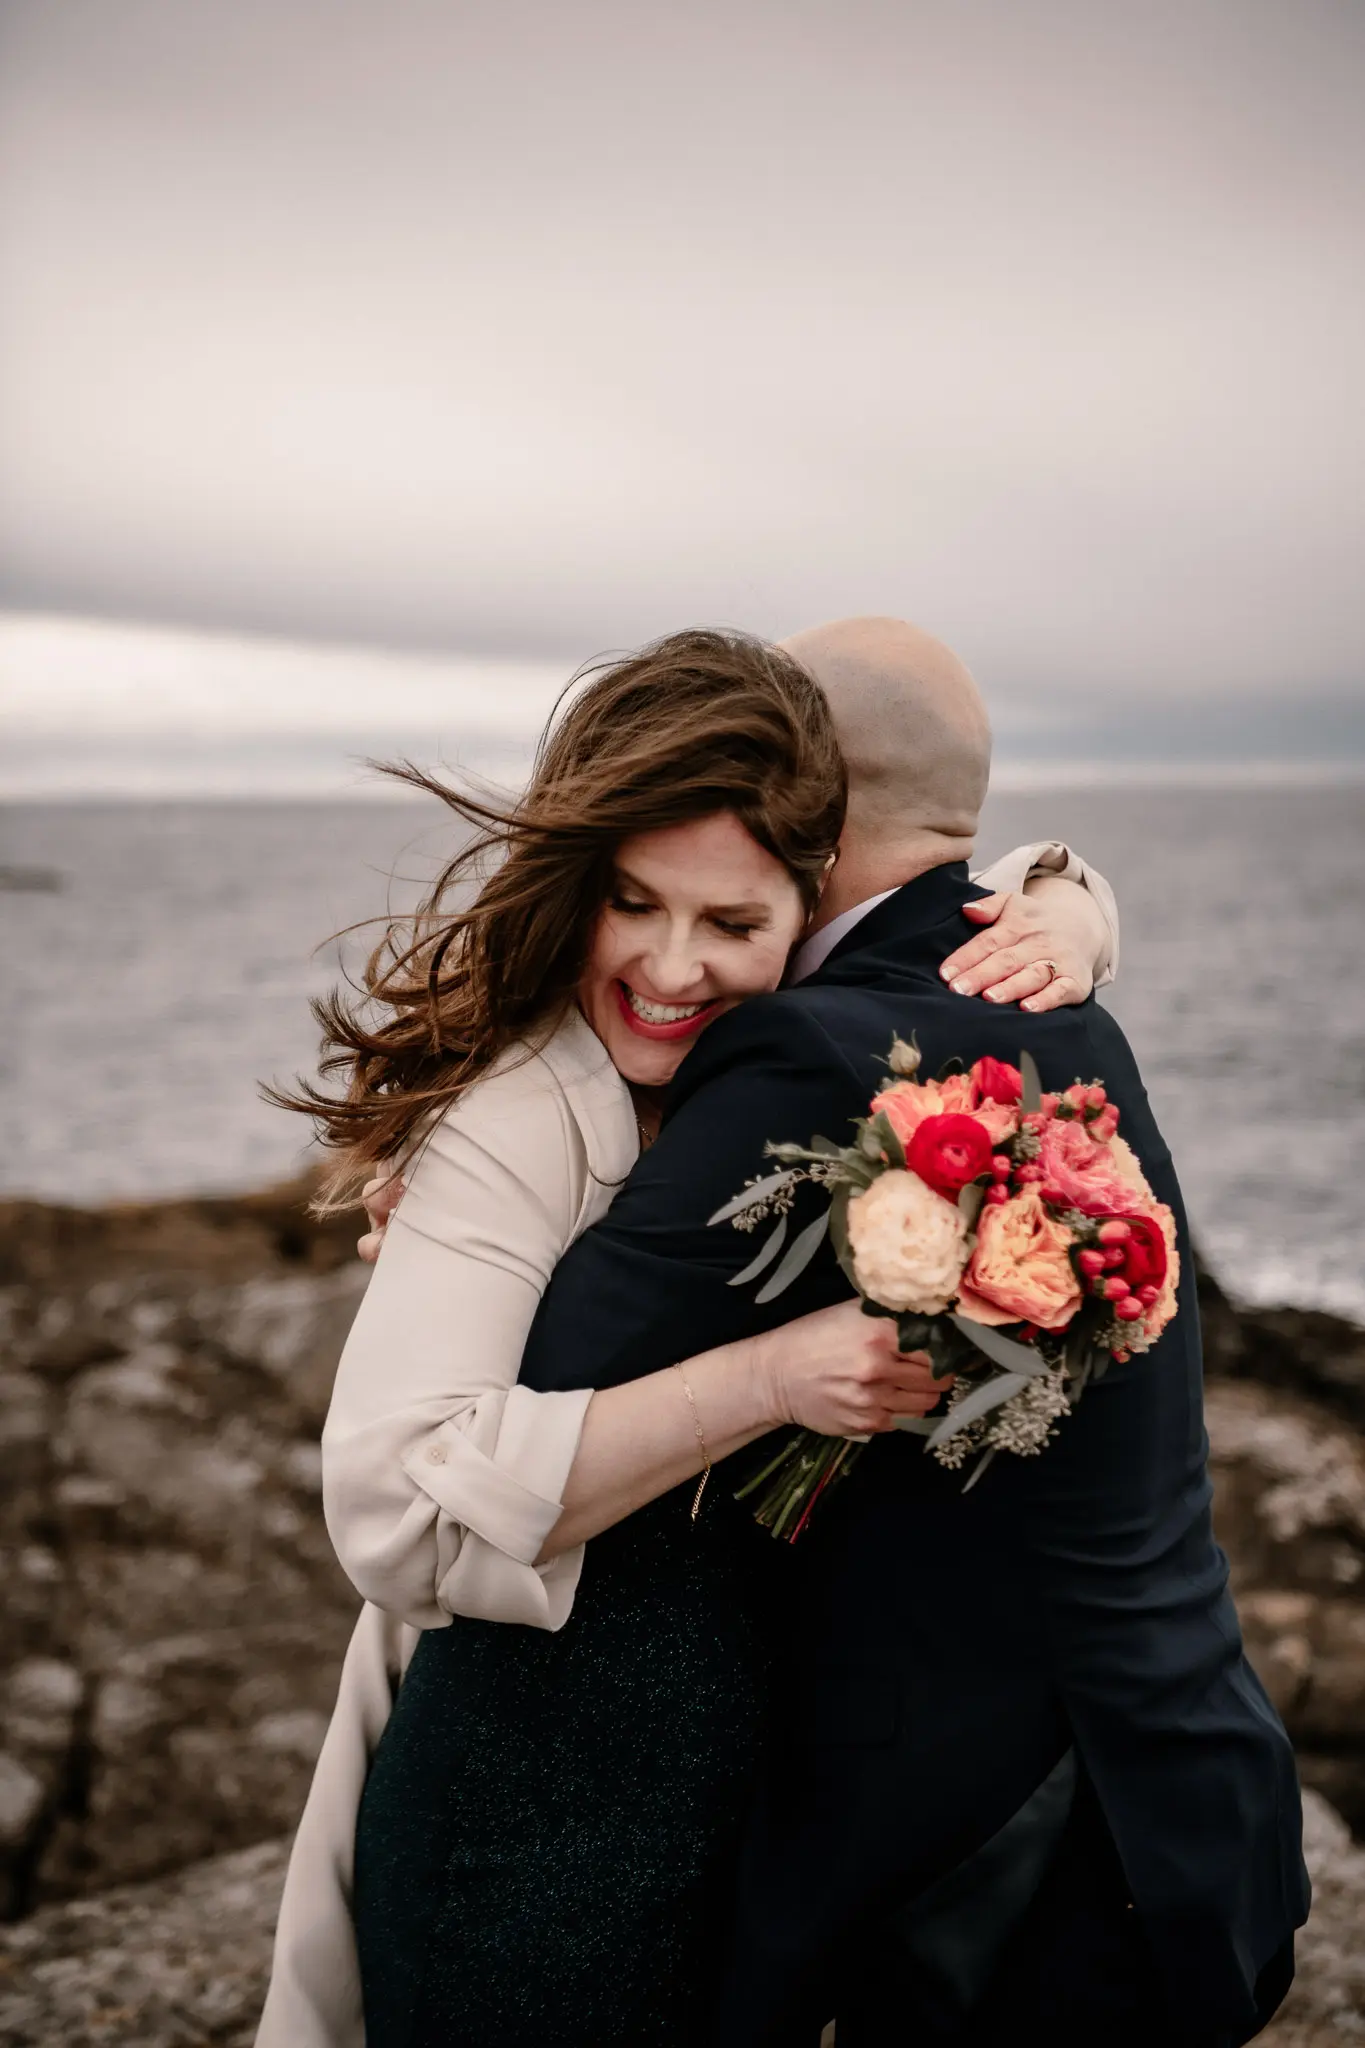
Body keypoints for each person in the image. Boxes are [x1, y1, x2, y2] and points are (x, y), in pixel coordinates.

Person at [255, 625, 1117, 2046]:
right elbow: (394, 1516)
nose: (671, 967)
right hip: (532, 1815)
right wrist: (772, 1376)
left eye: (731, 925)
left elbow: (972, 887)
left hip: (735, 1802)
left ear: (815, 901)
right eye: (632, 902)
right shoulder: (514, 1119)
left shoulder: (789, 1059)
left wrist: (1070, 913)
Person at [506, 617, 1309, 2046]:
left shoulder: (809, 1045)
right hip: (1194, 1794)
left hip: (1001, 1878)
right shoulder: (1067, 1006)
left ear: (802, 794)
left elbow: (547, 1370)